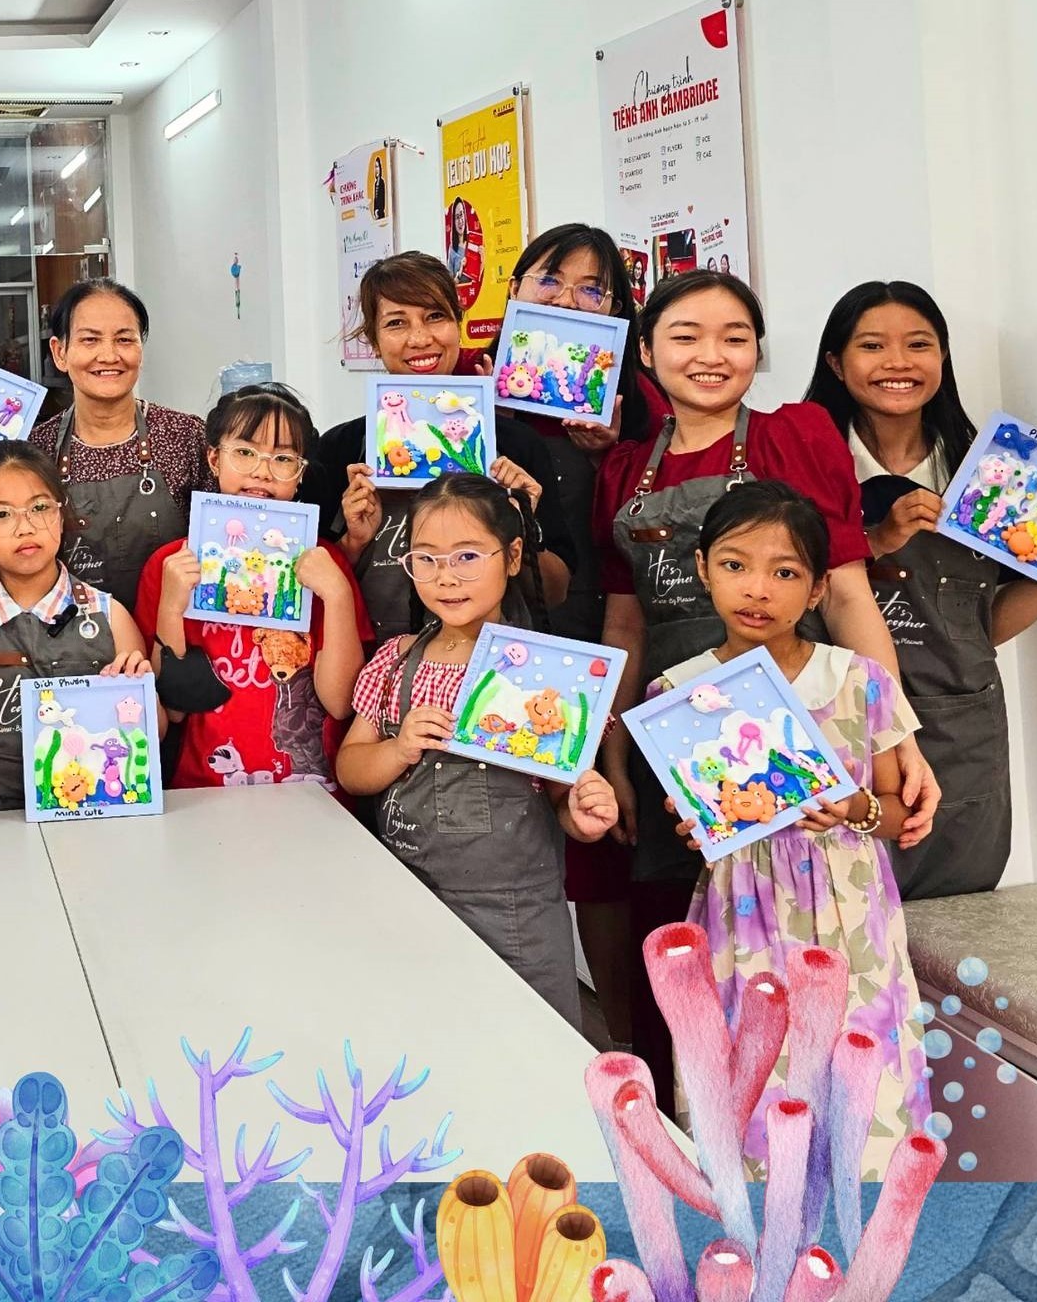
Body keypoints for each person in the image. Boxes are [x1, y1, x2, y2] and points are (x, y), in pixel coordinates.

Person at [592, 269, 939, 1115]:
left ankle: (824, 1137)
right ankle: (705, 1148)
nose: (711, 354)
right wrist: (616, 755)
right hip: (674, 733)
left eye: (735, 336)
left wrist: (898, 738)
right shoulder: (625, 467)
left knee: (803, 952)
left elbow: (847, 592)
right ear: (647, 352)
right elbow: (625, 624)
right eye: (685, 336)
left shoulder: (796, 434)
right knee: (686, 967)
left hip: (791, 734)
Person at [659, 482, 930, 1176]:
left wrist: (857, 810)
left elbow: (899, 812)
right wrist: (694, 825)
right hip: (743, 917)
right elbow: (695, 819)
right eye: (735, 565)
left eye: (784, 572)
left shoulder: (858, 679)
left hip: (851, 919)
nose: (758, 589)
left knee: (863, 1091)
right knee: (752, 1086)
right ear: (702, 569)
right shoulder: (676, 692)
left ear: (816, 590)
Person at [336, 475, 620, 1027]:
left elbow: (563, 799)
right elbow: (351, 768)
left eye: (467, 556)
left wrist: (584, 817)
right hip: (408, 896)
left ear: (512, 556)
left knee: (530, 1040)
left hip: (516, 913)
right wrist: (398, 749)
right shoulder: (396, 660)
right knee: (428, 1036)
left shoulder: (552, 672)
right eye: (426, 559)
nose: (446, 577)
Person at [806, 281, 1037, 899]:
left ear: (942, 357)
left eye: (919, 345)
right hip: (836, 725)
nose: (898, 362)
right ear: (836, 362)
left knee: (957, 917)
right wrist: (876, 538)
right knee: (836, 911)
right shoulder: (804, 463)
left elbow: (984, 622)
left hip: (959, 730)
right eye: (872, 346)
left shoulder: (995, 476)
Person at [501, 224, 652, 1052]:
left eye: (595, 289)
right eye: (551, 279)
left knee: (602, 856)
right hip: (504, 649)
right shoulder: (470, 398)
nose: (570, 300)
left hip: (608, 640)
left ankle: (624, 1049)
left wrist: (616, 451)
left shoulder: (645, 407)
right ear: (516, 289)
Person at [305, 252, 572, 648]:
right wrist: (354, 541)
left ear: (458, 324)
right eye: (396, 323)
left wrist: (524, 528)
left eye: (435, 316)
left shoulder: (515, 444)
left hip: (493, 664)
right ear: (374, 341)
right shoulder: (339, 448)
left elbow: (556, 592)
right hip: (372, 663)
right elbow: (312, 589)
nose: (420, 338)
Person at [138, 384, 368, 790]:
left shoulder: (323, 564)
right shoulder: (171, 564)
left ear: (300, 474)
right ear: (214, 458)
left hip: (313, 796)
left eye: (283, 459)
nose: (262, 471)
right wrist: (171, 608)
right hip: (205, 792)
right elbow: (173, 709)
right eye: (244, 452)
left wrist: (336, 594)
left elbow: (339, 703)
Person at [0, 442, 150, 811]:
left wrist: (140, 695)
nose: (25, 527)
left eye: (40, 507)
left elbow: (154, 735)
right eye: (1, 514)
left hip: (94, 818)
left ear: (61, 514)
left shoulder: (110, 615)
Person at [27, 281, 206, 619]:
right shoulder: (36, 450)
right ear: (60, 352)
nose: (109, 356)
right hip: (70, 638)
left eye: (124, 340)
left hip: (174, 635)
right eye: (90, 340)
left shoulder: (185, 435)